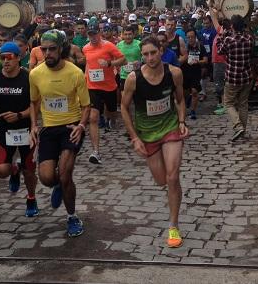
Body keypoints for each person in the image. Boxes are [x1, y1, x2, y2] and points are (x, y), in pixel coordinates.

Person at [120, 36, 188, 248]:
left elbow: (180, 99)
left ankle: (173, 225)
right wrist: (134, 137)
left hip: (170, 128)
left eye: (153, 52)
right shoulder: (134, 78)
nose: (150, 57)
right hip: (147, 134)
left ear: (161, 51)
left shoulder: (174, 73)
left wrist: (182, 121)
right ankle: (172, 196)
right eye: (146, 54)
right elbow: (124, 107)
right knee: (161, 180)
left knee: (172, 176)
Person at [29, 30, 90, 237]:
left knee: (65, 175)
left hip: (71, 128)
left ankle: (72, 217)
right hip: (48, 129)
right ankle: (57, 186)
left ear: (61, 49)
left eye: (52, 49)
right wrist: (33, 126)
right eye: (43, 49)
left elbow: (86, 105)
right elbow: (34, 101)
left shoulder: (75, 73)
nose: (47, 53)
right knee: (46, 178)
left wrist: (81, 126)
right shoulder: (35, 74)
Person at [0, 42, 39, 217]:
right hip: (5, 131)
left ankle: (31, 198)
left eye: (9, 57)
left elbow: (36, 105)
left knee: (29, 170)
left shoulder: (28, 78)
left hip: (26, 130)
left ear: (19, 58)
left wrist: (20, 115)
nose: (5, 61)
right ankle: (14, 171)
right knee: (0, 170)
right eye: (2, 57)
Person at [82, 24, 125, 164]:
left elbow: (123, 60)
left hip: (109, 87)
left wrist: (109, 63)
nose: (92, 37)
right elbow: (89, 63)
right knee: (93, 118)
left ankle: (112, 120)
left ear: (99, 33)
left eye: (94, 34)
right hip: (92, 86)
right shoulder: (85, 48)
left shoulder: (108, 46)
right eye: (90, 35)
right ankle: (96, 152)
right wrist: (85, 74)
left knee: (111, 112)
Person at [216, 15, 253, 141]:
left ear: (232, 26)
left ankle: (238, 126)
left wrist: (221, 35)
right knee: (243, 104)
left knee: (228, 103)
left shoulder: (229, 40)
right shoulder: (249, 38)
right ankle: (243, 129)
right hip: (246, 76)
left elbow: (220, 51)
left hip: (233, 77)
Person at [184, 28, 208, 120]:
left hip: (196, 72)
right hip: (185, 72)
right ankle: (188, 98)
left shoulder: (200, 47)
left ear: (195, 37)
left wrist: (197, 61)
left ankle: (193, 111)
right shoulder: (184, 47)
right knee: (185, 92)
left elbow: (205, 60)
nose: (190, 39)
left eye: (192, 37)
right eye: (188, 37)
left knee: (194, 91)